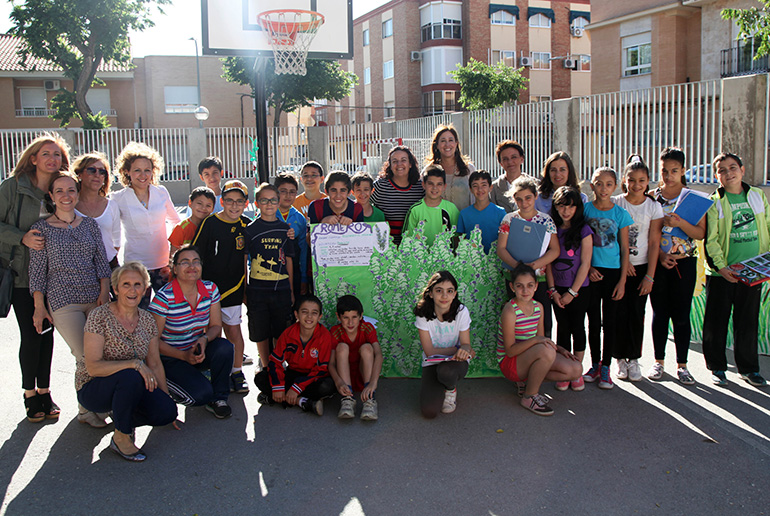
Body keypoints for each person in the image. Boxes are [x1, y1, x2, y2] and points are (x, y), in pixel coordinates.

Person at [29, 172, 112, 427]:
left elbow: (101, 262)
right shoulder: (40, 229)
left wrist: (104, 293)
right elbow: (37, 271)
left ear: (77, 194)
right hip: (63, 300)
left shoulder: (89, 225)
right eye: (60, 191)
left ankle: (96, 404)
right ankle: (86, 409)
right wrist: (39, 307)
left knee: (103, 353)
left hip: (94, 297)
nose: (66, 196)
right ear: (52, 196)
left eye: (71, 191)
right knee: (84, 355)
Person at [0, 133, 70, 422]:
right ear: (33, 159)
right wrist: (21, 238)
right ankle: (30, 395)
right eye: (46, 154)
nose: (52, 159)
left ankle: (45, 391)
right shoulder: (12, 187)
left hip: (54, 277)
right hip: (20, 275)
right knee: (31, 334)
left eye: (57, 154)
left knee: (48, 335)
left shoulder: (60, 188)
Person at [79, 262, 178, 461]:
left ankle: (122, 416)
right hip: (94, 388)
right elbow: (93, 367)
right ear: (115, 289)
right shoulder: (99, 316)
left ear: (145, 289)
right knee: (130, 376)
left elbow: (155, 363)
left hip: (131, 386)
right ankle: (122, 436)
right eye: (126, 284)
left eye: (137, 285)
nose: (132, 290)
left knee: (166, 411)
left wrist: (165, 397)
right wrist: (134, 364)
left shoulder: (147, 320)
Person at [703, 152, 769, 388]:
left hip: (753, 272)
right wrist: (721, 267)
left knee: (748, 321)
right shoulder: (714, 202)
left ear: (742, 169)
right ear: (716, 175)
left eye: (733, 167)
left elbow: (768, 226)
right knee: (716, 322)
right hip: (723, 274)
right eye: (722, 170)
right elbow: (710, 240)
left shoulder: (758, 195)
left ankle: (749, 369)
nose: (728, 173)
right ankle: (717, 368)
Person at [149, 247, 235, 418]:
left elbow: (216, 326)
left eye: (196, 262)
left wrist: (204, 339)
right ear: (174, 268)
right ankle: (163, 385)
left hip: (196, 351)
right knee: (200, 395)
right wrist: (182, 356)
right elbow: (153, 342)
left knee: (224, 347)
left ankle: (219, 398)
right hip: (171, 358)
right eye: (185, 262)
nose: (192, 266)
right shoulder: (164, 298)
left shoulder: (210, 289)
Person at [647, 147, 706, 384]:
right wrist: (660, 255)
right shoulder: (651, 197)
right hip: (659, 263)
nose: (669, 175)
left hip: (685, 263)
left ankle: (682, 365)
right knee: (659, 313)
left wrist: (680, 222)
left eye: (674, 170)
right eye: (664, 170)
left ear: (683, 170)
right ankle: (658, 362)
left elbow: (700, 234)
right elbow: (645, 234)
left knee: (682, 315)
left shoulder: (694, 198)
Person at [497, 264, 582, 416]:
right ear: (512, 287)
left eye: (530, 285)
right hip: (510, 363)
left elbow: (541, 340)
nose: (525, 290)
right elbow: (510, 351)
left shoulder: (539, 307)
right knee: (546, 351)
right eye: (520, 286)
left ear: (536, 286)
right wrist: (539, 341)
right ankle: (529, 397)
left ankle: (527, 383)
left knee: (575, 369)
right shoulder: (510, 311)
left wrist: (560, 350)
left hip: (529, 357)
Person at [192, 180, 251, 393]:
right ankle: (215, 372)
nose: (234, 206)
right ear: (222, 201)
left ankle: (237, 372)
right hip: (209, 291)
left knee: (234, 332)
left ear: (245, 203)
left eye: (239, 202)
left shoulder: (247, 225)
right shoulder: (210, 223)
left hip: (234, 288)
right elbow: (195, 254)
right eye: (229, 201)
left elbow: (248, 259)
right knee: (212, 334)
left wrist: (245, 288)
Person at [612, 155, 663, 382]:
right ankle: (619, 359)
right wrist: (626, 264)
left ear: (648, 181)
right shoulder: (616, 203)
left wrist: (650, 276)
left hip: (642, 269)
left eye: (641, 180)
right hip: (619, 267)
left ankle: (633, 359)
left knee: (636, 313)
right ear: (625, 180)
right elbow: (611, 238)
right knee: (617, 313)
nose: (636, 184)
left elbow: (654, 243)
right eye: (632, 179)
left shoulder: (653, 207)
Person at [112, 142, 181, 308]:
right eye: (137, 170)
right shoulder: (118, 198)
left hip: (163, 265)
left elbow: (176, 222)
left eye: (147, 170)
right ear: (127, 171)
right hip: (135, 268)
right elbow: (114, 235)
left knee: (170, 310)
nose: (143, 175)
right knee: (137, 313)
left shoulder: (161, 192)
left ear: (153, 171)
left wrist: (174, 252)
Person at [583, 167, 633, 390]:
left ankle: (606, 368)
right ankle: (594, 365)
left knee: (610, 322)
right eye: (599, 183)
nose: (603, 188)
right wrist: (589, 268)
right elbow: (579, 243)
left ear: (616, 186)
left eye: (609, 184)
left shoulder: (620, 214)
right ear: (591, 185)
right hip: (591, 273)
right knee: (593, 321)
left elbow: (624, 249)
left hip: (613, 274)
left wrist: (622, 281)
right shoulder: (584, 211)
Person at [496, 176, 560, 337]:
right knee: (516, 320)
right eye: (519, 199)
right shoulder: (509, 219)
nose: (524, 203)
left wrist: (534, 265)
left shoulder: (546, 221)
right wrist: (518, 266)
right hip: (514, 278)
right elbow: (501, 249)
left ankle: (544, 354)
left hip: (539, 279)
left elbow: (554, 250)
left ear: (535, 196)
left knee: (543, 321)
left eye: (528, 198)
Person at [254, 295, 336, 415]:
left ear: (320, 317)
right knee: (260, 378)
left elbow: (321, 369)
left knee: (327, 386)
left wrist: (296, 388)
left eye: (314, 313)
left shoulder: (324, 336)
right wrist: (278, 386)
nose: (309, 317)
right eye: (304, 312)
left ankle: (276, 398)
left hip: (312, 377)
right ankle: (301, 401)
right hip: (293, 374)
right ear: (296, 315)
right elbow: (275, 361)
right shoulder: (288, 334)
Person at [546, 186, 593, 392]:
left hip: (578, 290)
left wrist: (572, 293)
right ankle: (565, 371)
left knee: (578, 328)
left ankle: (577, 371)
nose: (566, 211)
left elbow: (585, 263)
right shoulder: (552, 229)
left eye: (570, 207)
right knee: (562, 329)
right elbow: (548, 262)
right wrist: (553, 290)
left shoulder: (584, 229)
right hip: (557, 290)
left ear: (577, 208)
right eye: (561, 206)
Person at [245, 183, 295, 368]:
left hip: (280, 289)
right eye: (264, 200)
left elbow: (288, 260)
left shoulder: (285, 229)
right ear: (257, 203)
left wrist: (290, 289)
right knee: (260, 331)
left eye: (273, 200)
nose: (269, 204)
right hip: (257, 290)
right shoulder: (250, 229)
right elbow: (244, 261)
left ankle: (278, 365)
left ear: (278, 201)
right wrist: (245, 290)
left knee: (280, 330)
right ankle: (266, 367)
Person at [414, 271, 474, 418]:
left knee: (446, 372)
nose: (445, 296)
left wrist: (465, 350)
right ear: (430, 294)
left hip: (455, 363)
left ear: (455, 294)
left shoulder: (461, 312)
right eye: (439, 291)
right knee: (429, 411)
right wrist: (459, 349)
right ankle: (438, 386)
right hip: (433, 363)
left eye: (449, 291)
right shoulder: (422, 313)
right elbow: (429, 351)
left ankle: (450, 389)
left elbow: (466, 344)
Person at [328, 295, 383, 420]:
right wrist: (338, 381)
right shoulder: (336, 331)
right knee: (342, 347)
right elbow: (330, 363)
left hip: (364, 375)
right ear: (338, 317)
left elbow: (379, 355)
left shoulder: (367, 328)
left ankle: (370, 399)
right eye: (345, 318)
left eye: (354, 317)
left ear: (361, 316)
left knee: (367, 348)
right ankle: (347, 400)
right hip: (345, 380)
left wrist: (373, 383)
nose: (351, 322)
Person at [73, 152, 122, 270]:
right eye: (91, 170)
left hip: (109, 265)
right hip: (79, 268)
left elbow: (116, 242)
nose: (97, 175)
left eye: (102, 172)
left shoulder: (111, 205)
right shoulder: (69, 205)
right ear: (79, 174)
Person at [371, 146, 425, 245]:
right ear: (390, 165)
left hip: (413, 247)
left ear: (410, 164)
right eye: (394, 161)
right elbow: (363, 203)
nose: (399, 164)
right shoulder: (380, 186)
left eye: (403, 160)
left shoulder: (420, 187)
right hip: (386, 247)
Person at [403, 165, 460, 245]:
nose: (434, 188)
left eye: (439, 184)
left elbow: (457, 237)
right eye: (430, 184)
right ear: (423, 185)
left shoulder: (451, 209)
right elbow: (407, 239)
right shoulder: (415, 210)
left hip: (446, 256)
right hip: (421, 257)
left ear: (444, 186)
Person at [424, 124, 475, 211]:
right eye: (443, 141)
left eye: (451, 140)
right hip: (437, 223)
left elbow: (475, 199)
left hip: (463, 222)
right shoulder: (429, 170)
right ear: (437, 145)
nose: (447, 144)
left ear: (456, 143)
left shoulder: (469, 169)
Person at [275, 172, 309, 297]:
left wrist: (304, 278)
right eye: (283, 191)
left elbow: (303, 250)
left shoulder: (299, 218)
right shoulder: (267, 214)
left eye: (292, 192)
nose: (288, 195)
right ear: (276, 192)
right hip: (269, 272)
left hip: (293, 272)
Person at [457, 169, 506, 252]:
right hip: (471, 261)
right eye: (475, 186)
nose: (480, 189)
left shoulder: (500, 213)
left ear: (490, 187)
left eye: (484, 185)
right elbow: (460, 240)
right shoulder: (464, 214)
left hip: (495, 260)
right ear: (471, 189)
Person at [169, 187, 216, 256]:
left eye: (208, 205)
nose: (203, 208)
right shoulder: (181, 228)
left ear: (213, 208)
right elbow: (173, 255)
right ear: (190, 203)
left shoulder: (213, 227)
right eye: (199, 203)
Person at [491, 140, 530, 213]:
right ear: (500, 163)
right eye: (505, 159)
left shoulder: (535, 185)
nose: (510, 162)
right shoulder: (493, 189)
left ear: (522, 159)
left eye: (514, 157)